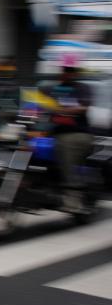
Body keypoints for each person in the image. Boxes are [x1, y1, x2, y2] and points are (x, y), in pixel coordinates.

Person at [47, 58, 94, 206]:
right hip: (54, 132)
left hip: (77, 133)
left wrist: (62, 110)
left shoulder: (82, 88)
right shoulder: (54, 89)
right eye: (65, 70)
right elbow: (40, 105)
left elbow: (83, 107)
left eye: (70, 71)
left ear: (76, 73)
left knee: (65, 145)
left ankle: (73, 191)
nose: (67, 74)